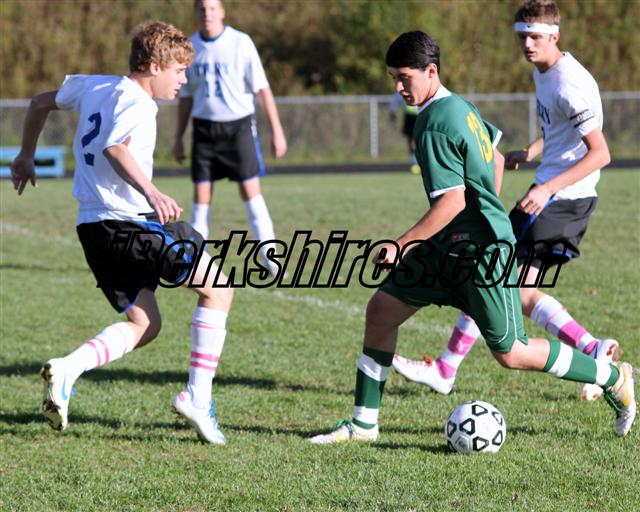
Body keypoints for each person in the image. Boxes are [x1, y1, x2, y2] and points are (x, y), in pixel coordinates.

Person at [309, 31, 635, 445]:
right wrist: (485, 210)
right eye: (393, 78)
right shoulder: (458, 106)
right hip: (448, 246)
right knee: (381, 310)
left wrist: (402, 244)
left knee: (512, 352)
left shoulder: (433, 123)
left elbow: (452, 201)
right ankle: (363, 425)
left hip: (481, 254)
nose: (398, 88)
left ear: (431, 71)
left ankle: (612, 377)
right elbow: (495, 157)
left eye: (405, 77)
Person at [11, 21, 234, 445]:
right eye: (179, 71)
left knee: (145, 323)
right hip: (126, 222)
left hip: (92, 228)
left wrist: (26, 155)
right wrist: (152, 191)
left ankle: (67, 369)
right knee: (219, 289)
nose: (183, 80)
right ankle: (197, 398)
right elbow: (115, 148)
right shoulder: (139, 103)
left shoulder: (96, 86)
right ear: (153, 66)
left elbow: (39, 103)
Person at [393, 0, 618, 403]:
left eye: (535, 37)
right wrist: (532, 151)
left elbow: (600, 153)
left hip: (563, 198)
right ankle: (450, 366)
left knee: (503, 282)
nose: (527, 44)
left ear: (555, 36)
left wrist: (547, 188)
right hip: (549, 193)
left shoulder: (569, 81)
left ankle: (592, 351)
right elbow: (562, 126)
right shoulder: (545, 72)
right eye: (522, 36)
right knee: (497, 278)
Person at [173, 0, 287, 276]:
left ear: (222, 11)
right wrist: (178, 136)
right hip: (204, 130)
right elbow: (185, 97)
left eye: (213, 8)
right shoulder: (189, 47)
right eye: (202, 8)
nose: (207, 13)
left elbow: (262, 89)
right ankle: (195, 262)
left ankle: (270, 258)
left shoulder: (241, 42)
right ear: (196, 13)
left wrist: (277, 130)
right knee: (201, 197)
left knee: (250, 191)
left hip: (238, 128)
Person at [389, 91, 420, 174]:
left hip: (420, 115)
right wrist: (392, 112)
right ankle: (415, 162)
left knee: (420, 139)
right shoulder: (402, 90)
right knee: (411, 140)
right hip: (409, 117)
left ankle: (421, 161)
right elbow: (396, 99)